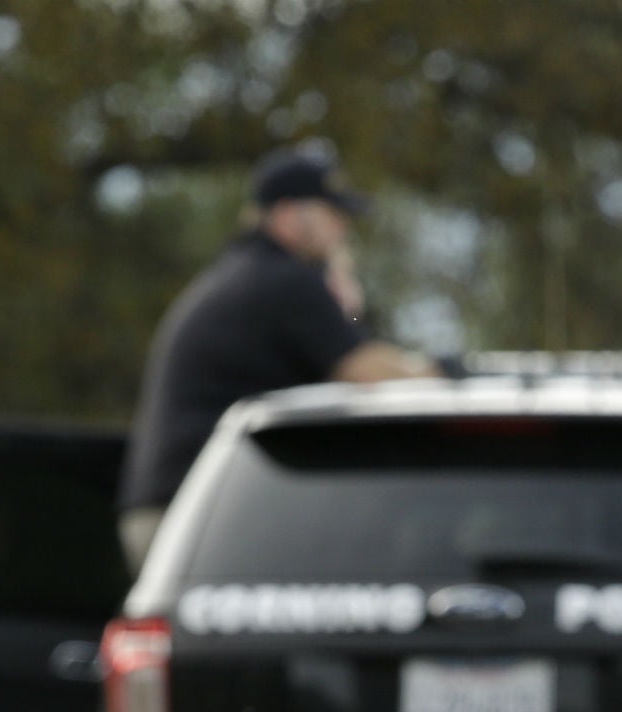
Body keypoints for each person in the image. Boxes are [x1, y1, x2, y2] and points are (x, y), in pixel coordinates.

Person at [115, 148, 439, 568]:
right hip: (198, 517)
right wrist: (447, 375)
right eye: (331, 213)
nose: (342, 228)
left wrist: (347, 307)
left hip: (174, 512)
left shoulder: (249, 273)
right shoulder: (286, 281)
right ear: (287, 215)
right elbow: (370, 372)